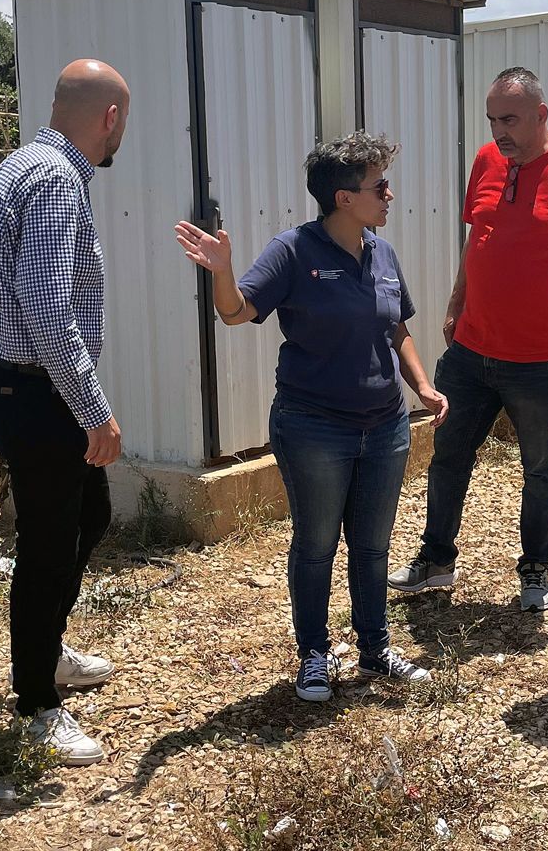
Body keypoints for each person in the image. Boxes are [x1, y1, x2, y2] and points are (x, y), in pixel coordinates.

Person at [175, 132, 449, 703]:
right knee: (317, 544)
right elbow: (237, 312)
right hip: (314, 427)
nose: (390, 194)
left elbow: (397, 329)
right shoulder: (294, 251)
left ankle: (375, 649)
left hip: (385, 427)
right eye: (379, 185)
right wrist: (222, 271)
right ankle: (315, 656)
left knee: (372, 546)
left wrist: (422, 386)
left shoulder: (382, 252)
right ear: (344, 198)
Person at [388, 67, 548, 612]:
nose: (499, 131)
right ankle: (436, 559)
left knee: (540, 468)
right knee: (448, 457)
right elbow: (479, 235)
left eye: (509, 119)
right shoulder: (488, 160)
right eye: (492, 120)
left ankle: (535, 571)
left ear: (541, 114)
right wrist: (456, 300)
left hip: (541, 357)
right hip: (471, 349)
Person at [0, 58, 130, 765]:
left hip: (23, 385)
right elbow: (47, 310)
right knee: (47, 547)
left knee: (89, 517)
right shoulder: (57, 179)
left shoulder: (20, 166)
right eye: (123, 122)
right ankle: (37, 701)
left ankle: (49, 650)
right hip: (39, 393)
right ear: (110, 118)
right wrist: (93, 411)